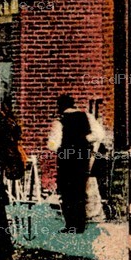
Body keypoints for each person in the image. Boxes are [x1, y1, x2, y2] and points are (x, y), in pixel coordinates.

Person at [47, 93, 105, 234]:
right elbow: (99, 134)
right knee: (80, 190)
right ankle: (80, 224)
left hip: (66, 161)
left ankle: (71, 225)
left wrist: (61, 145)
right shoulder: (87, 117)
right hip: (82, 160)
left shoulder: (60, 121)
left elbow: (53, 144)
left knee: (67, 193)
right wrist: (84, 139)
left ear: (60, 106)